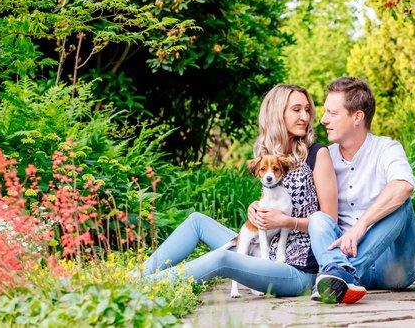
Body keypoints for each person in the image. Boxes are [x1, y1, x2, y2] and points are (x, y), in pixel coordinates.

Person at [134, 84, 338, 297]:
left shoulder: (317, 154)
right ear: (277, 113)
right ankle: (135, 276)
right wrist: (255, 209)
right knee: (197, 221)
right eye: (296, 109)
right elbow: (273, 201)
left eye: (307, 109)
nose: (305, 116)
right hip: (260, 249)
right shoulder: (268, 157)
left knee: (223, 259)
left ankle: (143, 287)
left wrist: (287, 222)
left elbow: (329, 223)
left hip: (295, 270)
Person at [308, 76, 415, 304]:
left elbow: (404, 185)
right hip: (346, 255)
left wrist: (361, 226)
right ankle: (342, 274)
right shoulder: (325, 157)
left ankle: (342, 275)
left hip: (394, 267)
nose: (323, 120)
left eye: (332, 113)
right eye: (324, 113)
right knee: (317, 219)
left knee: (400, 200)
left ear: (357, 116)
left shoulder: (386, 148)